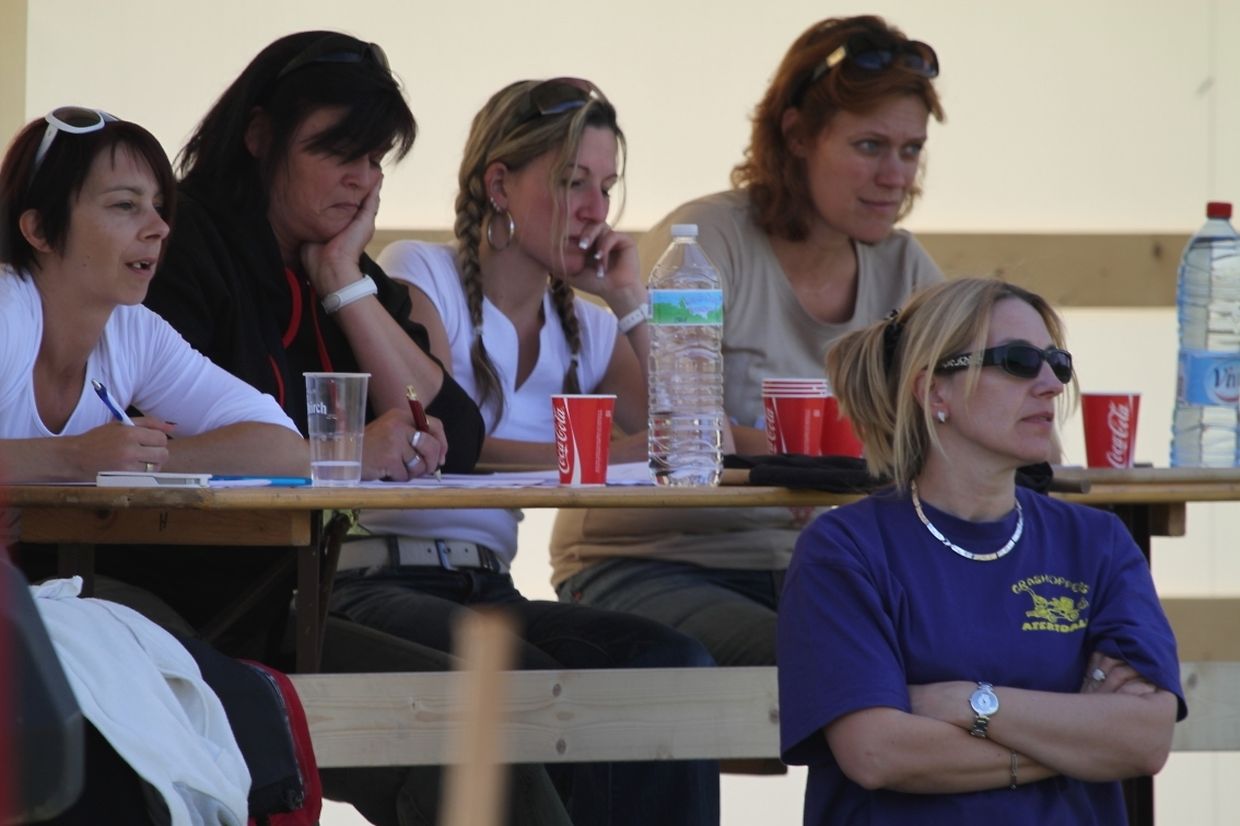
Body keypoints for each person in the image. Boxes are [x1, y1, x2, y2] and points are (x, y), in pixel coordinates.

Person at [138, 31, 571, 826]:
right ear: (259, 134)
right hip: (157, 618)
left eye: (374, 159)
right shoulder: (177, 245)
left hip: (276, 616)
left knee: (493, 729)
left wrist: (341, 280)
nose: (361, 179)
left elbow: (456, 431)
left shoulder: (330, 260)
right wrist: (342, 454)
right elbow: (142, 446)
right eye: (337, 151)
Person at [347, 78, 719, 826]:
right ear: (499, 185)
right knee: (558, 694)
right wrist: (598, 454)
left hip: (487, 585)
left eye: (606, 187)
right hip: (375, 578)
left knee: (672, 668)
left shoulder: (590, 326)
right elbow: (444, 440)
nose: (595, 209)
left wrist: (629, 300)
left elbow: (695, 439)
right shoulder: (422, 273)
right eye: (572, 182)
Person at [550, 14, 946, 668]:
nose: (895, 175)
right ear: (796, 135)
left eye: (911, 150)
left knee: (957, 656)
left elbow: (966, 415)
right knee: (835, 665)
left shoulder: (905, 266)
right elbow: (670, 424)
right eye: (870, 146)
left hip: (815, 565)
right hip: (647, 559)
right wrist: (819, 461)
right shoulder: (705, 242)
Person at [0, 107, 312, 823]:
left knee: (219, 697)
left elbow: (285, 445)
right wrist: (74, 457)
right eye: (124, 206)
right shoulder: (7, 307)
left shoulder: (132, 331)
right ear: (39, 229)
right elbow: (78, 460)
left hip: (31, 607)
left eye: (159, 206)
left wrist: (141, 457)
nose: (159, 227)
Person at [778, 277, 1185, 824]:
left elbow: (1144, 740)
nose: (1051, 384)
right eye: (1018, 361)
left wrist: (968, 702)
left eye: (1057, 363)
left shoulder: (1098, 543)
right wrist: (1076, 738)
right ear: (934, 392)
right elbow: (877, 753)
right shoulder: (845, 549)